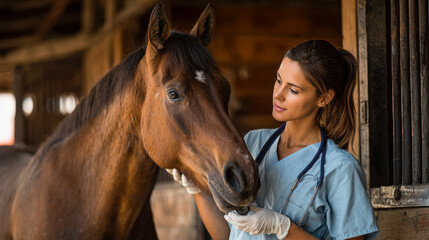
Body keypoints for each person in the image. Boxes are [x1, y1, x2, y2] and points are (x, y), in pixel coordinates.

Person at [167, 40, 379, 240]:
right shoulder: (252, 144)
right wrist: (198, 190)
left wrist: (284, 228)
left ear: (324, 98)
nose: (278, 94)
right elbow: (228, 235)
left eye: (293, 90)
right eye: (278, 80)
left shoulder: (340, 169)